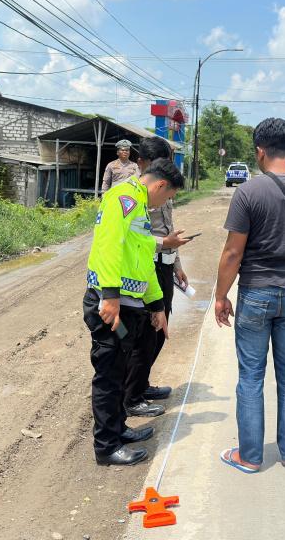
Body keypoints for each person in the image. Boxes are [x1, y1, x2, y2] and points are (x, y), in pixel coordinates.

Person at [214, 117, 285, 473]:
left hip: (256, 295)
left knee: (251, 375)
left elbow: (233, 253)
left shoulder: (248, 193)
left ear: (260, 152)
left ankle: (249, 457)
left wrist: (221, 296)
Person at [83, 157, 185, 466]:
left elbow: (143, 261)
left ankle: (118, 430)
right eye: (167, 197)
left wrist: (157, 305)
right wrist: (110, 295)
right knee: (109, 376)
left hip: (129, 308)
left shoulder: (139, 206)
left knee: (120, 369)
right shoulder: (123, 198)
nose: (164, 202)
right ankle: (106, 446)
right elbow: (108, 245)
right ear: (160, 185)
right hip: (110, 307)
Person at [123, 138, 191, 417]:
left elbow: (169, 229)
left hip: (161, 264)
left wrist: (176, 263)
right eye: (159, 165)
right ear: (144, 164)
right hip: (143, 267)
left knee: (159, 327)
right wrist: (164, 244)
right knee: (145, 332)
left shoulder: (161, 189)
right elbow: (131, 238)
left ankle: (141, 384)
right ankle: (132, 394)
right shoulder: (131, 196)